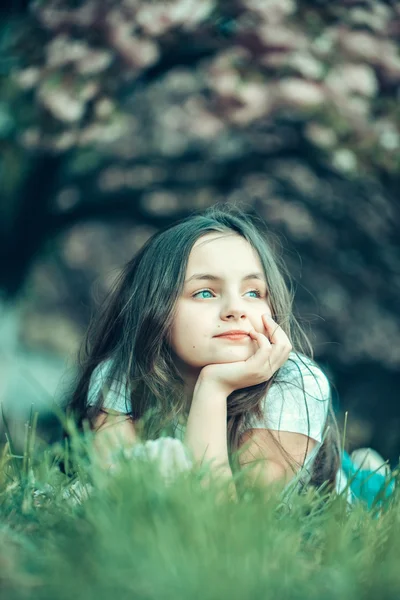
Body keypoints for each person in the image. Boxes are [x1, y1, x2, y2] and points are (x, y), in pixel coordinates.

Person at [64, 203, 390, 505]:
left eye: (252, 292)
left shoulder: (295, 384)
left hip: (330, 488)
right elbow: (115, 487)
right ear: (155, 310)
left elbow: (224, 524)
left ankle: (367, 475)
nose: (236, 309)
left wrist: (212, 389)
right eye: (205, 292)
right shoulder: (121, 375)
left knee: (372, 492)